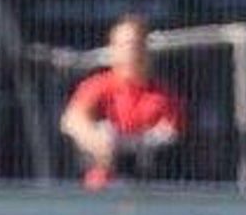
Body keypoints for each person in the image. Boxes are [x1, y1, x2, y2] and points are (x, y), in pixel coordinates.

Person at [60, 15, 184, 190]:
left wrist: (126, 145)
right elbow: (72, 120)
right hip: (100, 190)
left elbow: (169, 138)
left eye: (136, 45)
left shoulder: (165, 96)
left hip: (149, 189)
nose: (130, 52)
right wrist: (96, 139)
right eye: (123, 46)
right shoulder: (98, 85)